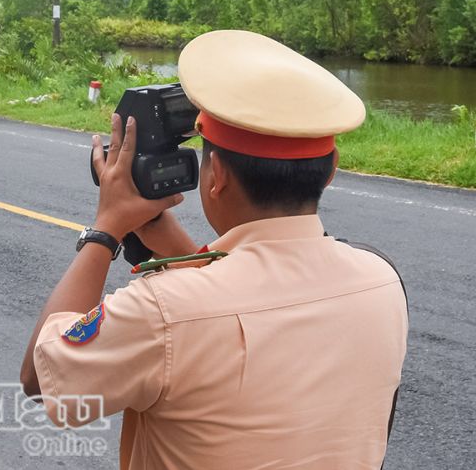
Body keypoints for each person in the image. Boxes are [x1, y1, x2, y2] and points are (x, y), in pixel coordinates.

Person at [20, 30, 408, 469]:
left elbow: (41, 377)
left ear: (216, 174)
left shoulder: (163, 312)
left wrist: (107, 229)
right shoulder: (382, 280)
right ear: (331, 169)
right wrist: (162, 238)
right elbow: (242, 299)